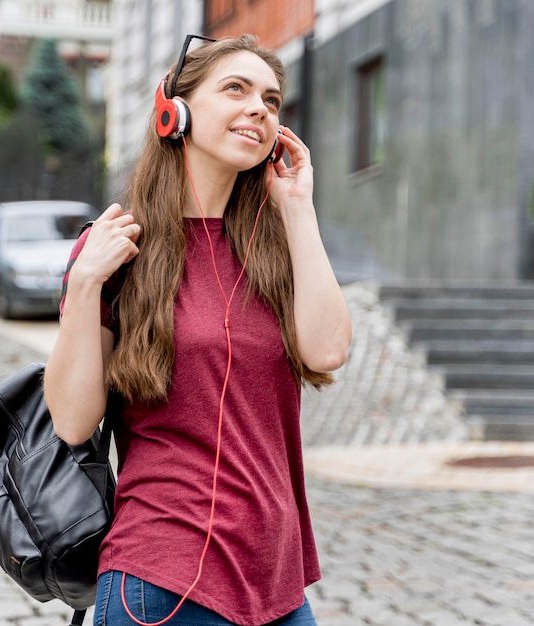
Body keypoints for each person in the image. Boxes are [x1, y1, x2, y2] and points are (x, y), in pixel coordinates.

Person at [44, 34, 352, 626]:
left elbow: (328, 348)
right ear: (173, 110)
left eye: (271, 98)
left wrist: (298, 207)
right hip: (161, 581)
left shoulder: (277, 247)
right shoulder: (116, 248)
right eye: (235, 89)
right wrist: (84, 283)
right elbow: (73, 420)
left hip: (277, 584)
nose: (259, 107)